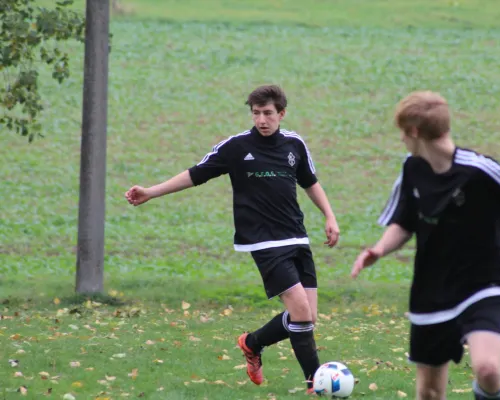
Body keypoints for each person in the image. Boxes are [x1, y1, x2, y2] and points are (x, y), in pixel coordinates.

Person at [351, 91, 500, 400]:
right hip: (432, 289)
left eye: (402, 132)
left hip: (486, 283)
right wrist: (380, 249)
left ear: (413, 132)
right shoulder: (412, 170)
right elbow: (404, 222)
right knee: (430, 393)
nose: (401, 140)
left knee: (488, 369)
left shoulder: (478, 170)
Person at [125, 84, 340, 394]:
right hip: (263, 242)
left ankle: (252, 343)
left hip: (296, 236)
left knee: (307, 317)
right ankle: (314, 383)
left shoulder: (295, 145)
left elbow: (310, 182)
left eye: (268, 114)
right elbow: (195, 174)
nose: (262, 120)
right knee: (301, 314)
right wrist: (151, 192)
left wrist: (329, 216)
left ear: (282, 113)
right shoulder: (236, 147)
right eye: (256, 114)